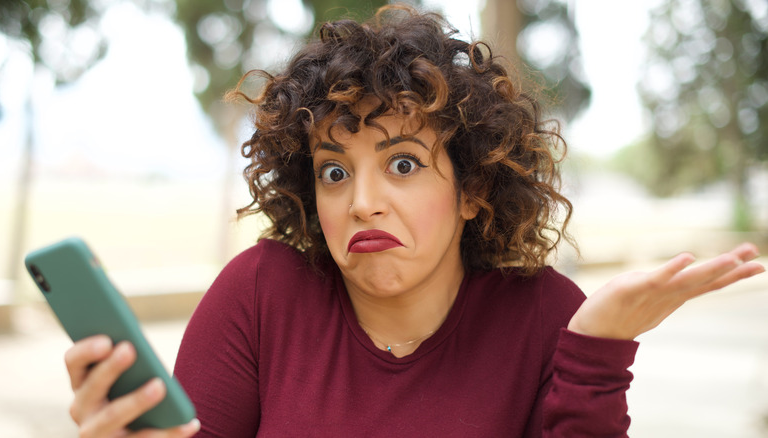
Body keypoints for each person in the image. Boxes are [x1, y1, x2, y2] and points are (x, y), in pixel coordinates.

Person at [63, 5, 765, 437]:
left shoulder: (548, 316)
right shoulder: (259, 294)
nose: (362, 200)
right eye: (334, 172)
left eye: (401, 164)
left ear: (472, 187)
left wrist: (596, 353)